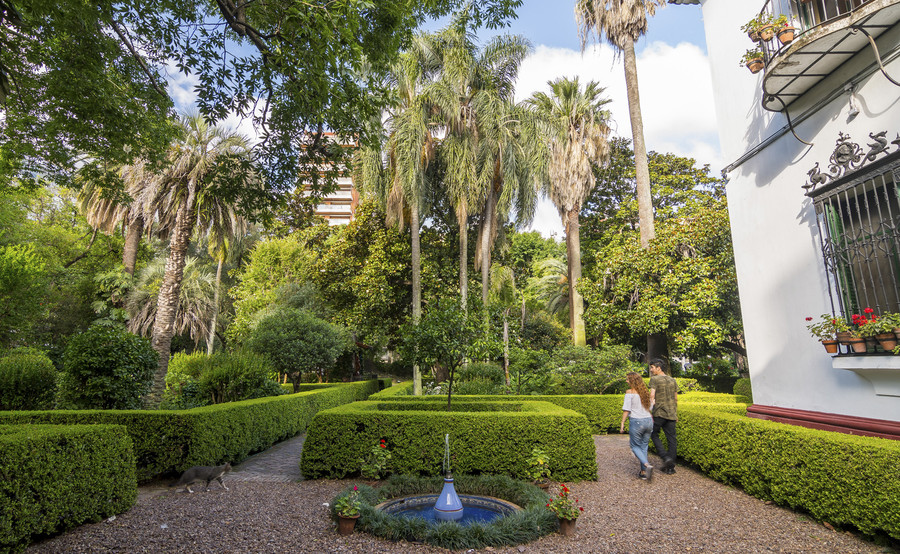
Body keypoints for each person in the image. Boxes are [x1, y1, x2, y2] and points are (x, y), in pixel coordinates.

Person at [619, 371, 654, 481]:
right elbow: (650, 408)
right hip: (649, 421)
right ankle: (643, 472)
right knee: (644, 446)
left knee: (634, 446)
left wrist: (622, 422)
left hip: (637, 422)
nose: (626, 381)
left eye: (628, 379)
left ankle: (647, 465)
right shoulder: (645, 393)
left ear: (632, 381)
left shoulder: (629, 392)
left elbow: (626, 409)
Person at [649, 358, 678, 474]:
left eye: (652, 367)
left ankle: (665, 457)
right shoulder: (672, 380)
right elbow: (675, 398)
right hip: (671, 413)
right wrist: (675, 413)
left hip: (659, 412)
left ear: (658, 368)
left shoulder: (654, 379)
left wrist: (650, 408)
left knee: (653, 433)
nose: (651, 370)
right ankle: (670, 467)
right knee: (672, 440)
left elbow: (652, 396)